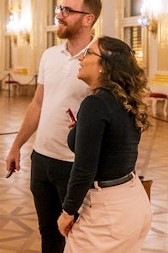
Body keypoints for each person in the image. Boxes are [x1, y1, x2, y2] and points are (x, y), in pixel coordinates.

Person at [5, 0, 102, 253]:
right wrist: (17, 146)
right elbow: (38, 104)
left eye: (67, 10)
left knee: (80, 237)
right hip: (42, 159)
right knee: (48, 233)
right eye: (60, 8)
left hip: (75, 166)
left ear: (87, 19)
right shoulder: (50, 55)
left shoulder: (101, 59)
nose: (59, 15)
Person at [56, 37, 152, 252]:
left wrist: (67, 212)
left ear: (104, 66)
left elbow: (84, 168)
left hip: (109, 212)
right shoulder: (123, 100)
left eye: (89, 53)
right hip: (133, 199)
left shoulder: (95, 103)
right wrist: (81, 131)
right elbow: (112, 147)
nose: (80, 58)